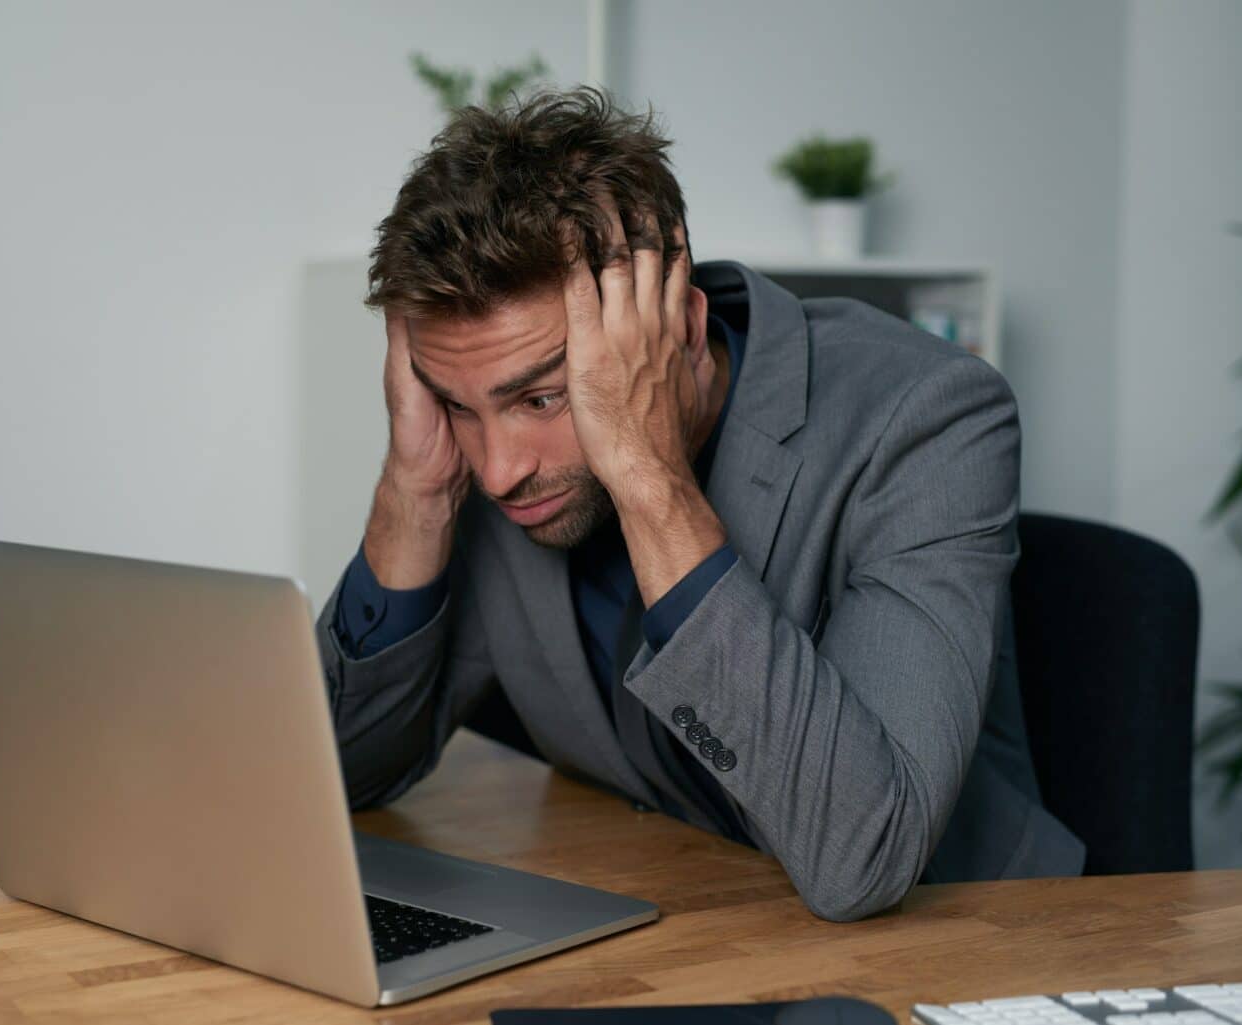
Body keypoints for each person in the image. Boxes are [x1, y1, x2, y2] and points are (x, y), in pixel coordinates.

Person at [316, 87, 1083, 922]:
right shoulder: (478, 465)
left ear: (675, 323)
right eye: (459, 405)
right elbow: (334, 781)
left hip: (964, 946)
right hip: (695, 910)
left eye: (542, 398)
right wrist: (415, 492)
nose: (498, 472)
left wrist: (648, 478)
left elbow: (864, 857)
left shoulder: (926, 416)